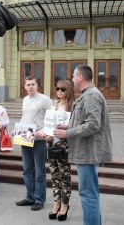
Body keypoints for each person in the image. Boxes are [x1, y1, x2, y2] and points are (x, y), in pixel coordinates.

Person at [53, 65, 113, 225]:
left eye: (73, 76)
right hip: (85, 151)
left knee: (88, 195)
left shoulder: (91, 96)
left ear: (80, 78)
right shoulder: (88, 95)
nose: (72, 79)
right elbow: (84, 121)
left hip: (87, 153)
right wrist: (68, 126)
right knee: (90, 194)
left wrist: (67, 133)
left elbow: (93, 124)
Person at [16, 76, 53, 211]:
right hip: (25, 138)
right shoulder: (25, 99)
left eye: (33, 84)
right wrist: (17, 129)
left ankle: (39, 199)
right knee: (27, 170)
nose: (30, 87)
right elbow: (24, 117)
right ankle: (29, 197)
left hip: (39, 141)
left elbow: (51, 118)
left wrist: (43, 131)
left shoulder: (45, 99)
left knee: (39, 172)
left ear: (37, 85)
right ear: (24, 86)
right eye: (28, 85)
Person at [45, 80, 75, 221]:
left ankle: (64, 204)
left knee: (64, 176)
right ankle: (56, 202)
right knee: (54, 175)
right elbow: (48, 124)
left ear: (68, 90)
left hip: (64, 144)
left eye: (62, 89)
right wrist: (45, 134)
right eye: (57, 88)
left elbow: (75, 126)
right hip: (52, 143)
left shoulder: (72, 106)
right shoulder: (54, 104)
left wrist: (66, 128)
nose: (59, 91)